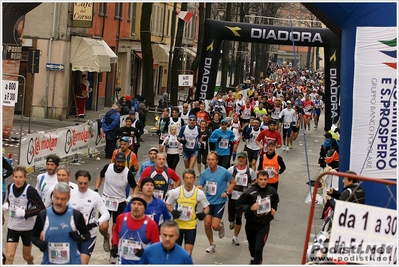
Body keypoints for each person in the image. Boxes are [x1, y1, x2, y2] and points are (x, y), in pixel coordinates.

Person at [31, 182, 91, 264]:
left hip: (72, 263)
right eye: (56, 198)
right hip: (49, 263)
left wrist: (80, 238)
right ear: (53, 196)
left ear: (68, 198)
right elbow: (33, 236)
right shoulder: (43, 215)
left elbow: (87, 235)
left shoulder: (75, 215)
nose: (59, 202)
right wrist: (39, 244)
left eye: (63, 199)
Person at [94, 152, 137, 258]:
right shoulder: (107, 168)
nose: (120, 164)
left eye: (122, 162)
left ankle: (113, 252)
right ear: (114, 161)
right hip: (106, 200)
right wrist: (96, 189)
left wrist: (132, 197)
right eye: (118, 162)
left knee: (116, 229)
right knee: (102, 227)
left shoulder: (128, 173)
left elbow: (135, 187)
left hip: (120, 202)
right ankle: (106, 236)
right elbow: (100, 176)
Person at [3, 166, 45, 264]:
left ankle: (30, 263)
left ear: (25, 178)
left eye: (21, 177)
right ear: (13, 177)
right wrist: (6, 205)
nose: (18, 180)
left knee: (26, 256)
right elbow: (10, 200)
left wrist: (25, 213)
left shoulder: (30, 191)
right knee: (9, 256)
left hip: (27, 229)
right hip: (12, 227)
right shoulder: (10, 187)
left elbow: (41, 208)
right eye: (16, 177)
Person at [236, 170, 279, 264]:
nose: (263, 182)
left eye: (265, 179)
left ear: (268, 180)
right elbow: (238, 205)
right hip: (251, 223)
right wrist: (250, 207)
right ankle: (252, 259)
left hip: (264, 224)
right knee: (252, 247)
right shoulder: (250, 192)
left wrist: (274, 208)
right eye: (261, 179)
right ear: (257, 180)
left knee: (259, 250)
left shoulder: (272, 191)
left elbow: (275, 201)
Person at [197, 151, 236, 253]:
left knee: (215, 226)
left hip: (219, 202)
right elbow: (200, 184)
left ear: (217, 161)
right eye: (209, 159)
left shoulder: (223, 172)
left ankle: (220, 226)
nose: (210, 162)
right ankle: (212, 244)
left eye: (213, 159)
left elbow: (233, 182)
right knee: (207, 224)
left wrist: (227, 192)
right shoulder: (205, 173)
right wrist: (200, 187)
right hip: (208, 202)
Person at [70, 170, 110, 264]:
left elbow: (106, 214)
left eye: (85, 183)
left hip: (89, 234)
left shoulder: (94, 195)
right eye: (80, 183)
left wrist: (95, 223)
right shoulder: (69, 194)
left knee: (82, 263)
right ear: (76, 181)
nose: (83, 186)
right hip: (72, 234)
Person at [166, 169, 210, 255]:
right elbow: (167, 204)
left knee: (188, 253)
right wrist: (173, 211)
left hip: (191, 226)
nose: (189, 180)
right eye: (186, 178)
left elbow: (207, 207)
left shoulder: (199, 193)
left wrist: (204, 214)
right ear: (183, 179)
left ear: (194, 179)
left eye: (191, 178)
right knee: (175, 253)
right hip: (177, 226)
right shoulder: (176, 191)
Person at [111, 192, 160, 265]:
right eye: (134, 203)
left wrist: (146, 251)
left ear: (145, 207)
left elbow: (157, 247)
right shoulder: (121, 218)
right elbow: (115, 231)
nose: (136, 206)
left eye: (139, 204)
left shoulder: (151, 224)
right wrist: (115, 244)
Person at [226, 152, 256, 246]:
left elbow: (254, 183)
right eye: (239, 158)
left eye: (242, 158)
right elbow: (225, 179)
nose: (241, 159)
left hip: (243, 199)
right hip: (233, 196)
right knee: (231, 216)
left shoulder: (250, 171)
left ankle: (235, 237)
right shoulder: (231, 170)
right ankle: (232, 220)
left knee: (239, 217)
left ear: (245, 159)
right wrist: (228, 189)